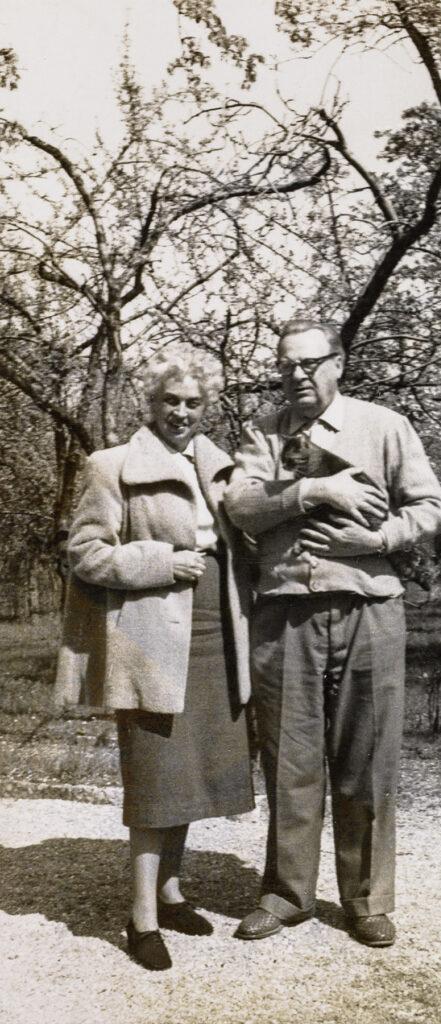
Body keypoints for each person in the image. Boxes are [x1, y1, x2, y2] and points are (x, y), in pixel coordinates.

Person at [224, 318, 441, 948]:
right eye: (285, 365)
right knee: (289, 761)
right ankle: (287, 894)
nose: (296, 375)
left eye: (309, 363)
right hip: (285, 614)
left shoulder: (382, 426)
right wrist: (311, 490)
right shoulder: (263, 432)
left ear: (338, 363)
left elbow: (432, 507)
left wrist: (375, 539)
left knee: (367, 760)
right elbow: (240, 506)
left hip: (368, 609)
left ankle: (367, 899)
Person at [54, 351, 254, 971]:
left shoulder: (221, 465)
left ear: (207, 407)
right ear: (151, 401)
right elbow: (84, 552)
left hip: (218, 635)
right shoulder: (111, 465)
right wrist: (160, 562)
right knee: (155, 777)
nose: (182, 413)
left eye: (194, 403)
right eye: (171, 401)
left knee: (190, 775)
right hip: (151, 639)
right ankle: (140, 918)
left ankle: (170, 894)